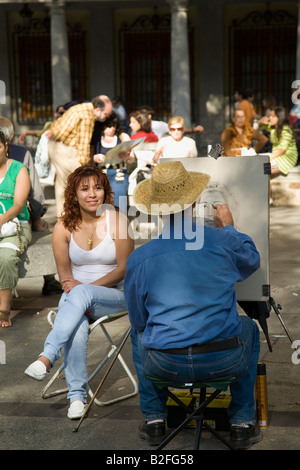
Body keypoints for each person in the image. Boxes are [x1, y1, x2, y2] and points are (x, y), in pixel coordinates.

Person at [124, 160, 262, 450]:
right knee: (248, 327)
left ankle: (154, 420)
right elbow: (252, 260)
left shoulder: (141, 257)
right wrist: (231, 227)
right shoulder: (223, 240)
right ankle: (241, 423)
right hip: (223, 361)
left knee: (138, 334)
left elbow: (138, 320)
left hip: (165, 365)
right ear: (196, 201)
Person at [25, 164, 134, 419]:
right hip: (77, 301)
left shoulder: (118, 220)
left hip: (115, 296)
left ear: (105, 192)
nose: (92, 193)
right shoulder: (63, 227)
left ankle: (47, 356)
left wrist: (86, 289)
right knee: (77, 325)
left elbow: (124, 270)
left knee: (78, 297)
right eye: (84, 189)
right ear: (74, 195)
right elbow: (65, 277)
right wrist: (78, 293)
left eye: (98, 187)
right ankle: (76, 397)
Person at [0, 117, 62, 296]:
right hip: (16, 216)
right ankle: (49, 281)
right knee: (42, 229)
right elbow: (35, 195)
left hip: (14, 217)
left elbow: (29, 196)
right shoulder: (21, 153)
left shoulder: (19, 161)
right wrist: (37, 215)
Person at [45, 95, 113, 217]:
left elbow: (55, 126)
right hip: (65, 150)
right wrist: (87, 166)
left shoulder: (80, 108)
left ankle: (63, 217)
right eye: (106, 114)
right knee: (82, 183)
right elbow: (83, 144)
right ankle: (81, 217)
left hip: (56, 145)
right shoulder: (87, 116)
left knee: (63, 184)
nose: (106, 118)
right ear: (98, 110)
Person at [0, 131, 31, 328]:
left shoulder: (19, 170)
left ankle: (3, 310)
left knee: (4, 258)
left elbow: (19, 204)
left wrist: (1, 219)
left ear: (6, 147)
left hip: (15, 226)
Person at [93, 112, 131, 211]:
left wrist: (126, 156)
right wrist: (95, 158)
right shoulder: (97, 140)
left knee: (118, 192)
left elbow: (131, 159)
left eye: (114, 126)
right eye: (108, 126)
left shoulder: (121, 138)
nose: (112, 129)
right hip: (101, 173)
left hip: (119, 174)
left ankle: (119, 221)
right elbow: (88, 157)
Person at [259, 106, 298, 177]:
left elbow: (283, 149)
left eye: (273, 116)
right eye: (270, 115)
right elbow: (261, 125)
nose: (270, 118)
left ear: (279, 118)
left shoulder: (286, 129)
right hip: (276, 156)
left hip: (286, 158)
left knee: (264, 169)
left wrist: (270, 157)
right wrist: (264, 119)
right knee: (259, 166)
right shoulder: (273, 128)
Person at [137, 105, 204, 140]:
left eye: (141, 116)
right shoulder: (135, 127)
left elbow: (176, 127)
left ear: (149, 116)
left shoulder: (159, 125)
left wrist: (194, 130)